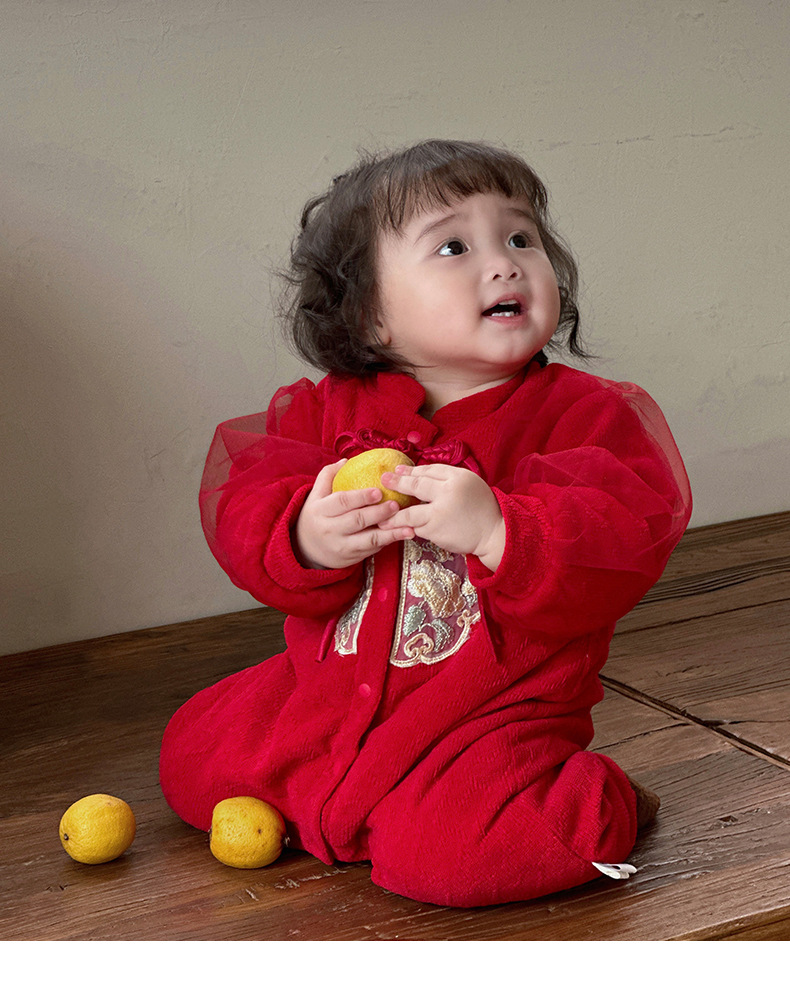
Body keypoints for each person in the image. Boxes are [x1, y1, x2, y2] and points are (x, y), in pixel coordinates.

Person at [159, 139, 692, 907]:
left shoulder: (585, 418)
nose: (505, 264)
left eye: (521, 237)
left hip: (487, 717)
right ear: (370, 313)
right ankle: (356, 802)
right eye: (454, 246)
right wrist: (307, 536)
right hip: (327, 697)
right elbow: (249, 502)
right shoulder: (326, 412)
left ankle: (600, 799)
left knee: (452, 860)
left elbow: (620, 534)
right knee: (191, 752)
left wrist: (501, 527)